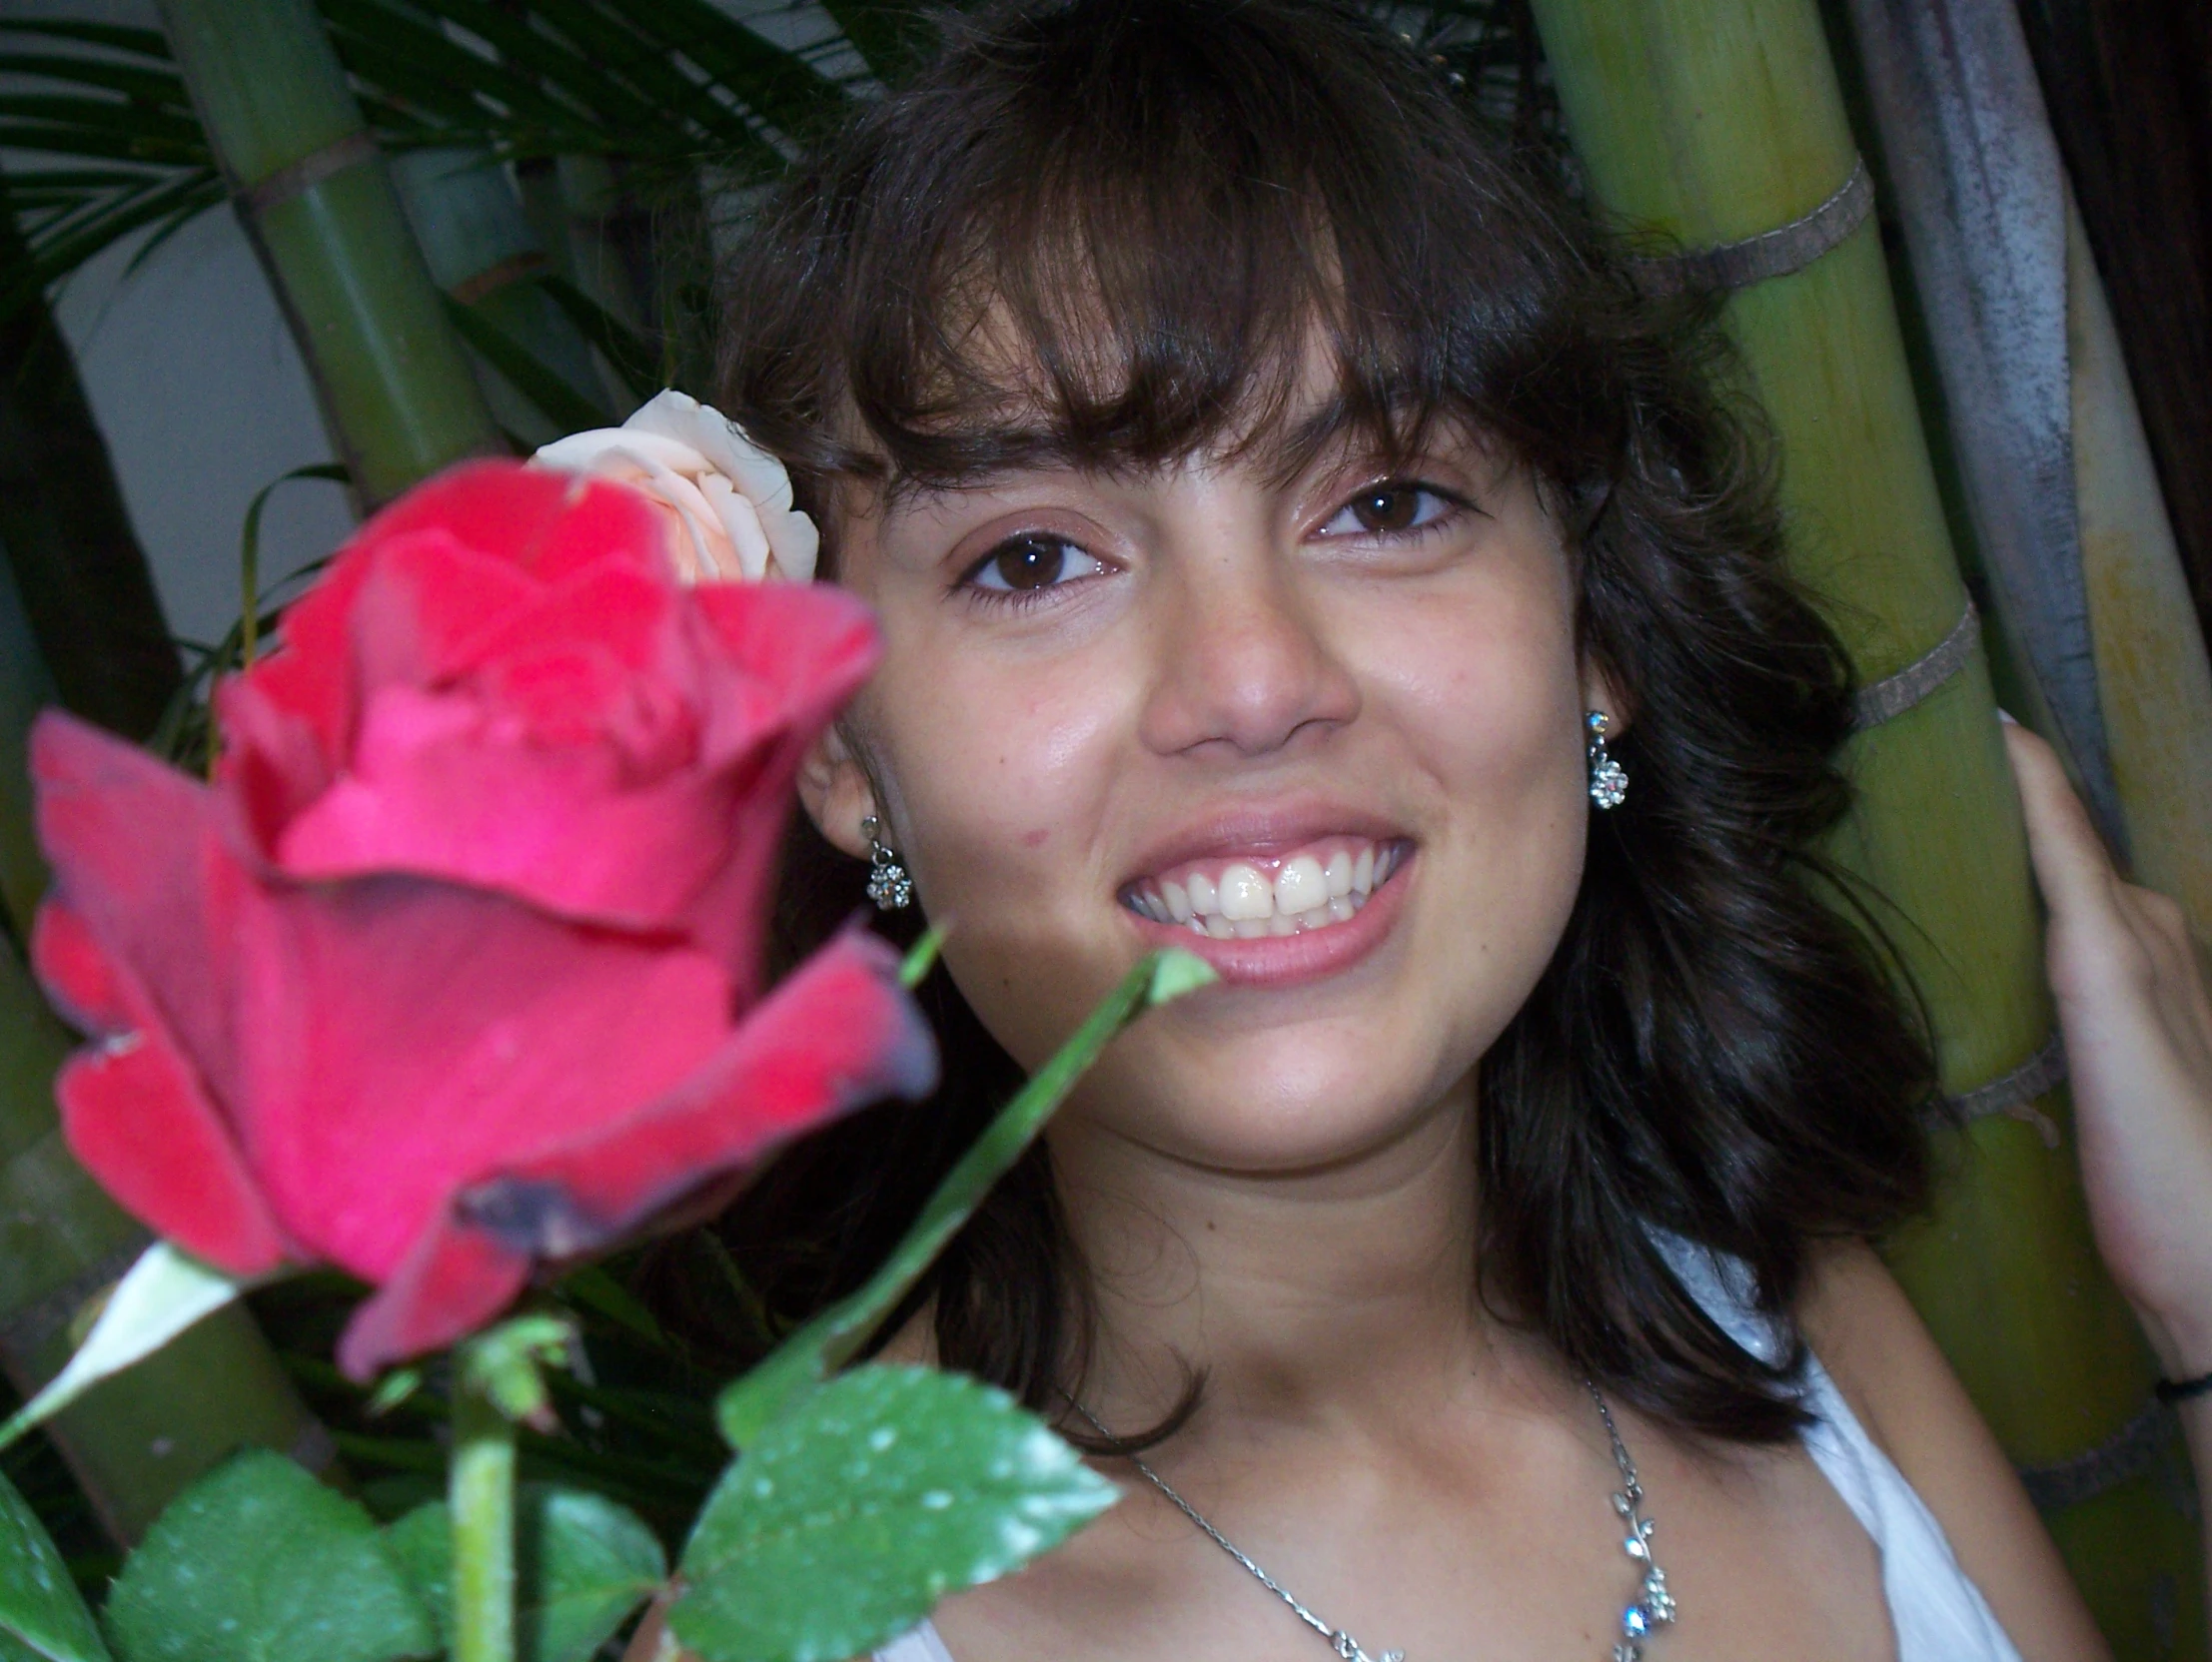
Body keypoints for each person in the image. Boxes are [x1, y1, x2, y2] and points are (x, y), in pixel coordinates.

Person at [694, 2, 2212, 1658]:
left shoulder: (1774, 1313)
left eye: (1387, 502)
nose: (1252, 680)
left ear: (1592, 644)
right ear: (842, 748)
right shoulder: (788, 1629)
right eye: (1033, 559)